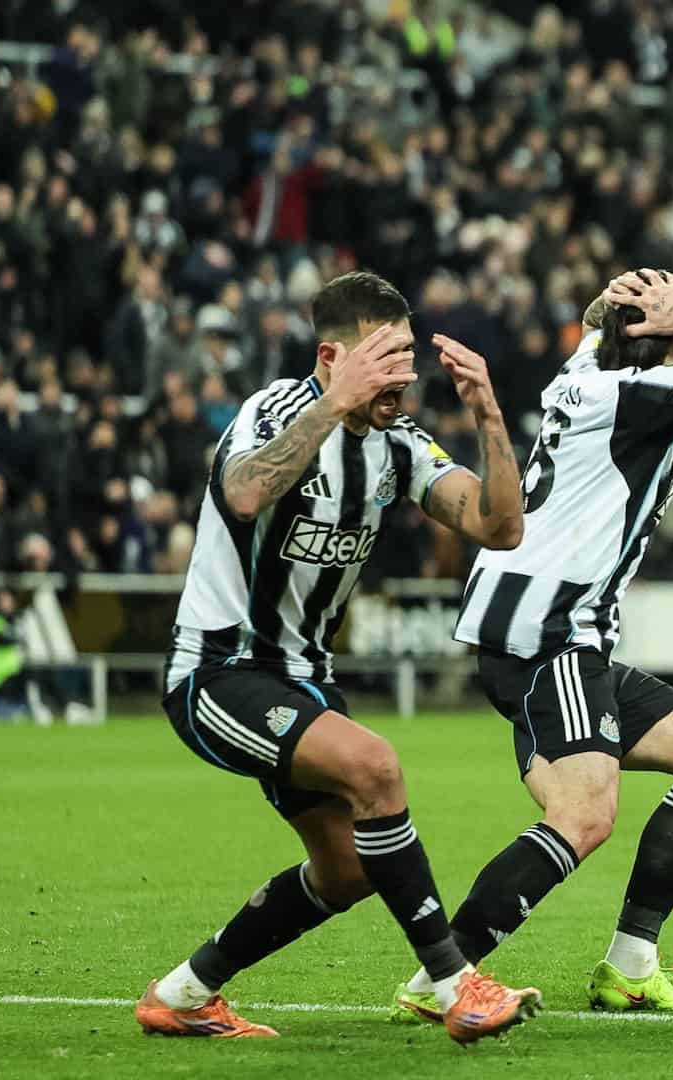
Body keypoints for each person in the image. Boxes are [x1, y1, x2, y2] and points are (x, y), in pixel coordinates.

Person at [136, 270, 540, 1044]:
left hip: (304, 680)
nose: (404, 376)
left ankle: (184, 993)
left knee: (349, 871)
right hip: (220, 671)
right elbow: (244, 493)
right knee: (377, 768)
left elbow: (499, 527)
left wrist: (489, 416)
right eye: (383, 359)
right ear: (331, 357)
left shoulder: (397, 446)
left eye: (408, 357)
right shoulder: (278, 409)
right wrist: (334, 402)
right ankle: (458, 984)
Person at [392, 270, 673, 1020]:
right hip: (552, 636)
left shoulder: (583, 371)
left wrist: (628, 305)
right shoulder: (633, 397)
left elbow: (595, 318)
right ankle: (440, 978)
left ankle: (630, 966)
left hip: (544, 634)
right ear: (664, 345)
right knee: (584, 817)